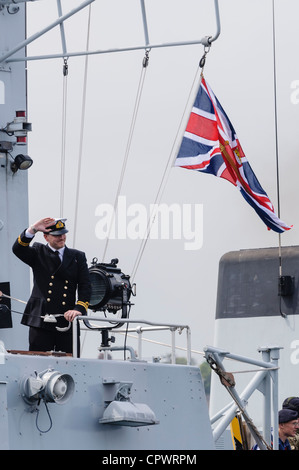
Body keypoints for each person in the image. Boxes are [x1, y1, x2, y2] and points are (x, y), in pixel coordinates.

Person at [12, 217, 91, 355]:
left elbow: (85, 285)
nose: (61, 238)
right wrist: (33, 229)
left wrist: (79, 308)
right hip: (42, 320)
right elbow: (18, 249)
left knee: (70, 365)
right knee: (38, 365)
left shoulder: (78, 256)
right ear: (46, 237)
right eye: (56, 235)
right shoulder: (38, 252)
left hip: (67, 321)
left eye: (63, 234)